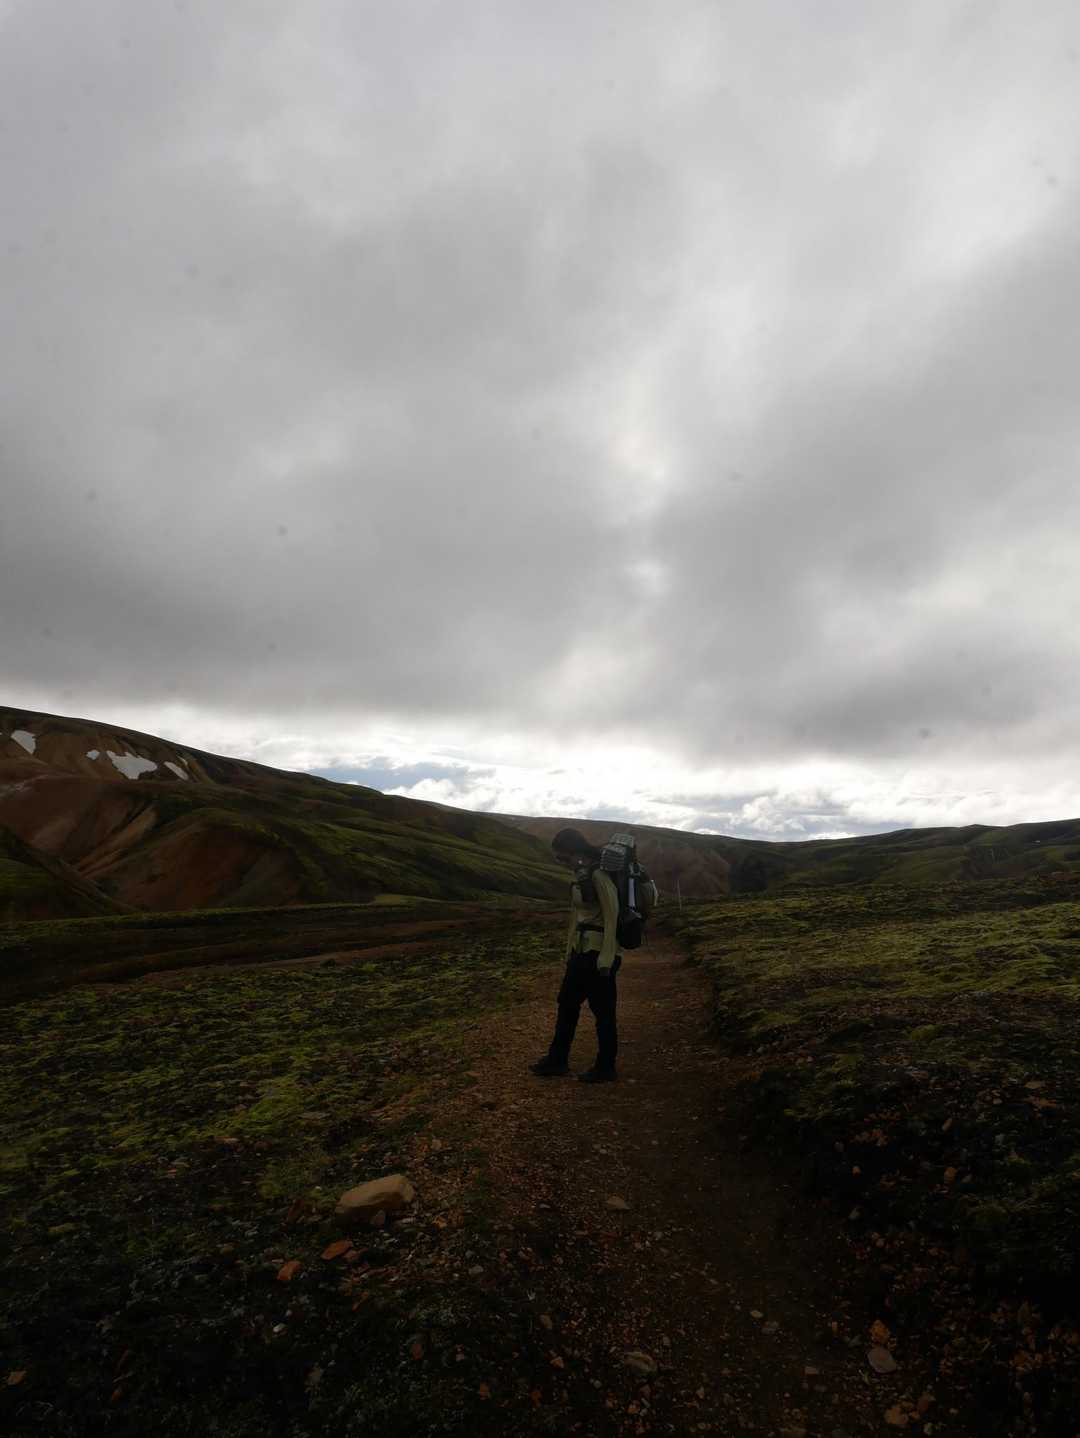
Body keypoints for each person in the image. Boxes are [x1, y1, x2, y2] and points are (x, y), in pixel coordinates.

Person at [530, 827, 623, 1083]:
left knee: (603, 1012)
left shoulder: (599, 875)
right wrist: (569, 948)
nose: (563, 862)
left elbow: (612, 915)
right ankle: (557, 1059)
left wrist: (607, 957)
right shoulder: (583, 875)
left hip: (598, 954)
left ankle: (605, 1067)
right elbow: (577, 916)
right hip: (580, 952)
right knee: (567, 1004)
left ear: (575, 851)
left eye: (563, 857)